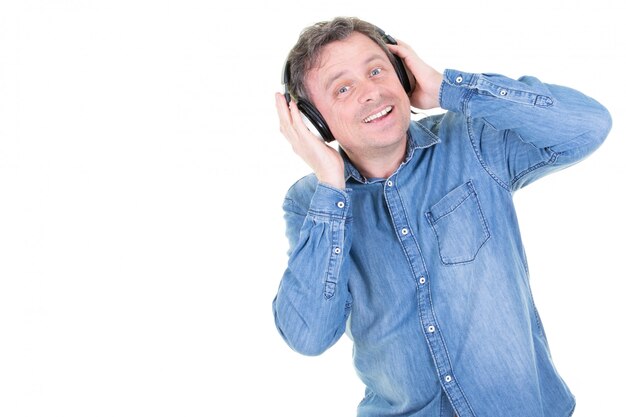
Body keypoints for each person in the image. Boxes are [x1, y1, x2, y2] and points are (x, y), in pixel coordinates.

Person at [272, 16, 612, 417]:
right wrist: (331, 186)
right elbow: (308, 336)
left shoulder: (470, 139)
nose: (372, 92)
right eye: (343, 88)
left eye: (377, 70)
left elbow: (587, 126)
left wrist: (449, 89)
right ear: (315, 121)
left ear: (401, 73)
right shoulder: (310, 202)